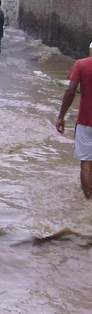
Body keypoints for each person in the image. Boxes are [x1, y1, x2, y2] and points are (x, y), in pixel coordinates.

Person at [56, 42, 92, 199]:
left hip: (86, 122)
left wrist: (61, 116)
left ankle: (88, 201)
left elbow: (71, 91)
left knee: (86, 163)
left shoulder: (81, 64)